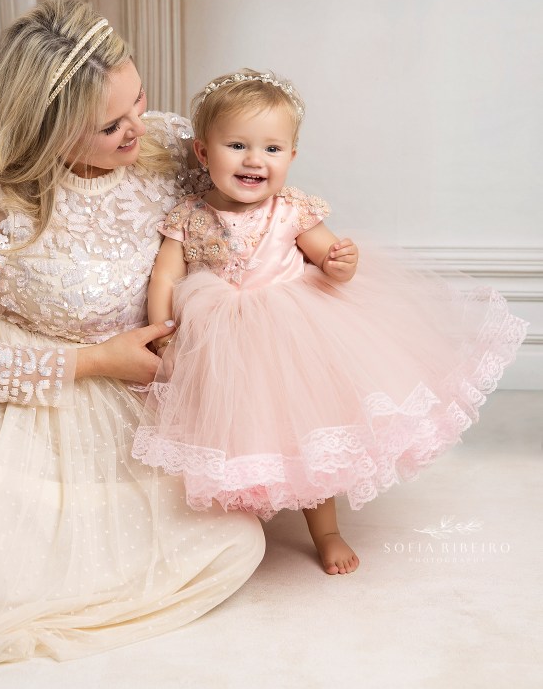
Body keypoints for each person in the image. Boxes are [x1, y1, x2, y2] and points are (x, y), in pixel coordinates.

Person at [0, 0, 265, 677]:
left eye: (137, 98)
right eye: (110, 125)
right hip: (32, 391)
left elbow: (255, 213)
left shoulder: (167, 148)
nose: (138, 127)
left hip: (150, 391)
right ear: (46, 133)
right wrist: (91, 362)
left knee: (222, 545)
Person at [132, 69, 527, 575]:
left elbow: (327, 258)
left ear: (291, 158)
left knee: (308, 435)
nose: (255, 160)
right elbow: (165, 278)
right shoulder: (187, 215)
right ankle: (237, 523)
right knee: (237, 432)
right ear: (204, 153)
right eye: (237, 145)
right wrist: (162, 332)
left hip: (295, 336)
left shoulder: (293, 209)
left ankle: (327, 530)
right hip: (220, 342)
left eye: (272, 149)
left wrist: (342, 262)